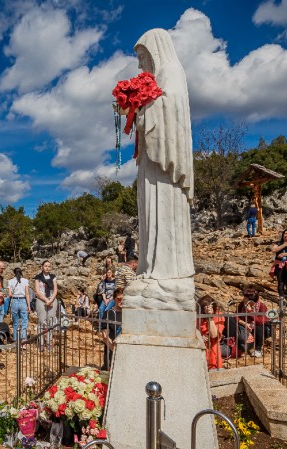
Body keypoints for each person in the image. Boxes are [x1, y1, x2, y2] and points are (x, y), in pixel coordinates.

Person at [129, 29, 195, 281]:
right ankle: (149, 266)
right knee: (149, 210)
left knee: (162, 208)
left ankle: (166, 270)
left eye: (142, 56)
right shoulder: (161, 75)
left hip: (163, 164)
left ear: (155, 52)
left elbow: (170, 107)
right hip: (151, 157)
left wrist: (139, 104)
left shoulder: (171, 72)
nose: (139, 63)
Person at [236, 286, 271, 358]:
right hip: (246, 326)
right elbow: (236, 316)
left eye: (245, 299)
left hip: (261, 328)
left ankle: (258, 349)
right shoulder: (242, 304)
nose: (243, 300)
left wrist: (250, 312)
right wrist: (245, 323)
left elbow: (259, 321)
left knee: (258, 327)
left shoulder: (261, 306)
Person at [269, 228, 287, 303]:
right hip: (279, 263)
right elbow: (274, 250)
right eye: (285, 233)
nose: (286, 235)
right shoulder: (278, 243)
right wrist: (285, 245)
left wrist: (284, 254)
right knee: (280, 281)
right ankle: (281, 298)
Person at [34, 260, 59, 348]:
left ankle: (49, 341)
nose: (47, 267)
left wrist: (51, 300)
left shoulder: (53, 277)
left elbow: (55, 290)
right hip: (41, 299)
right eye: (45, 266)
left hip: (52, 299)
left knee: (50, 320)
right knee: (41, 320)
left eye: (49, 266)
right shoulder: (38, 277)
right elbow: (37, 291)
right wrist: (46, 300)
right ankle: (41, 342)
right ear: (42, 267)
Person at [197, 297, 227, 370]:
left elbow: (214, 335)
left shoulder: (218, 316)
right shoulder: (197, 316)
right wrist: (200, 337)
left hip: (213, 352)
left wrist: (209, 317)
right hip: (199, 352)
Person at [99, 288, 123, 370]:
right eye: (119, 299)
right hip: (111, 352)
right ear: (114, 299)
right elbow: (105, 337)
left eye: (124, 299)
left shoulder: (128, 314)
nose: (121, 301)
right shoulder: (108, 313)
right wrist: (115, 350)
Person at [7, 267, 31, 344]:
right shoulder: (25, 281)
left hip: (14, 301)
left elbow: (10, 294)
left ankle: (16, 339)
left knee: (15, 321)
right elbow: (27, 293)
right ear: (21, 272)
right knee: (24, 321)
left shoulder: (10, 281)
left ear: (14, 273)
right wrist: (29, 306)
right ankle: (24, 339)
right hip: (23, 300)